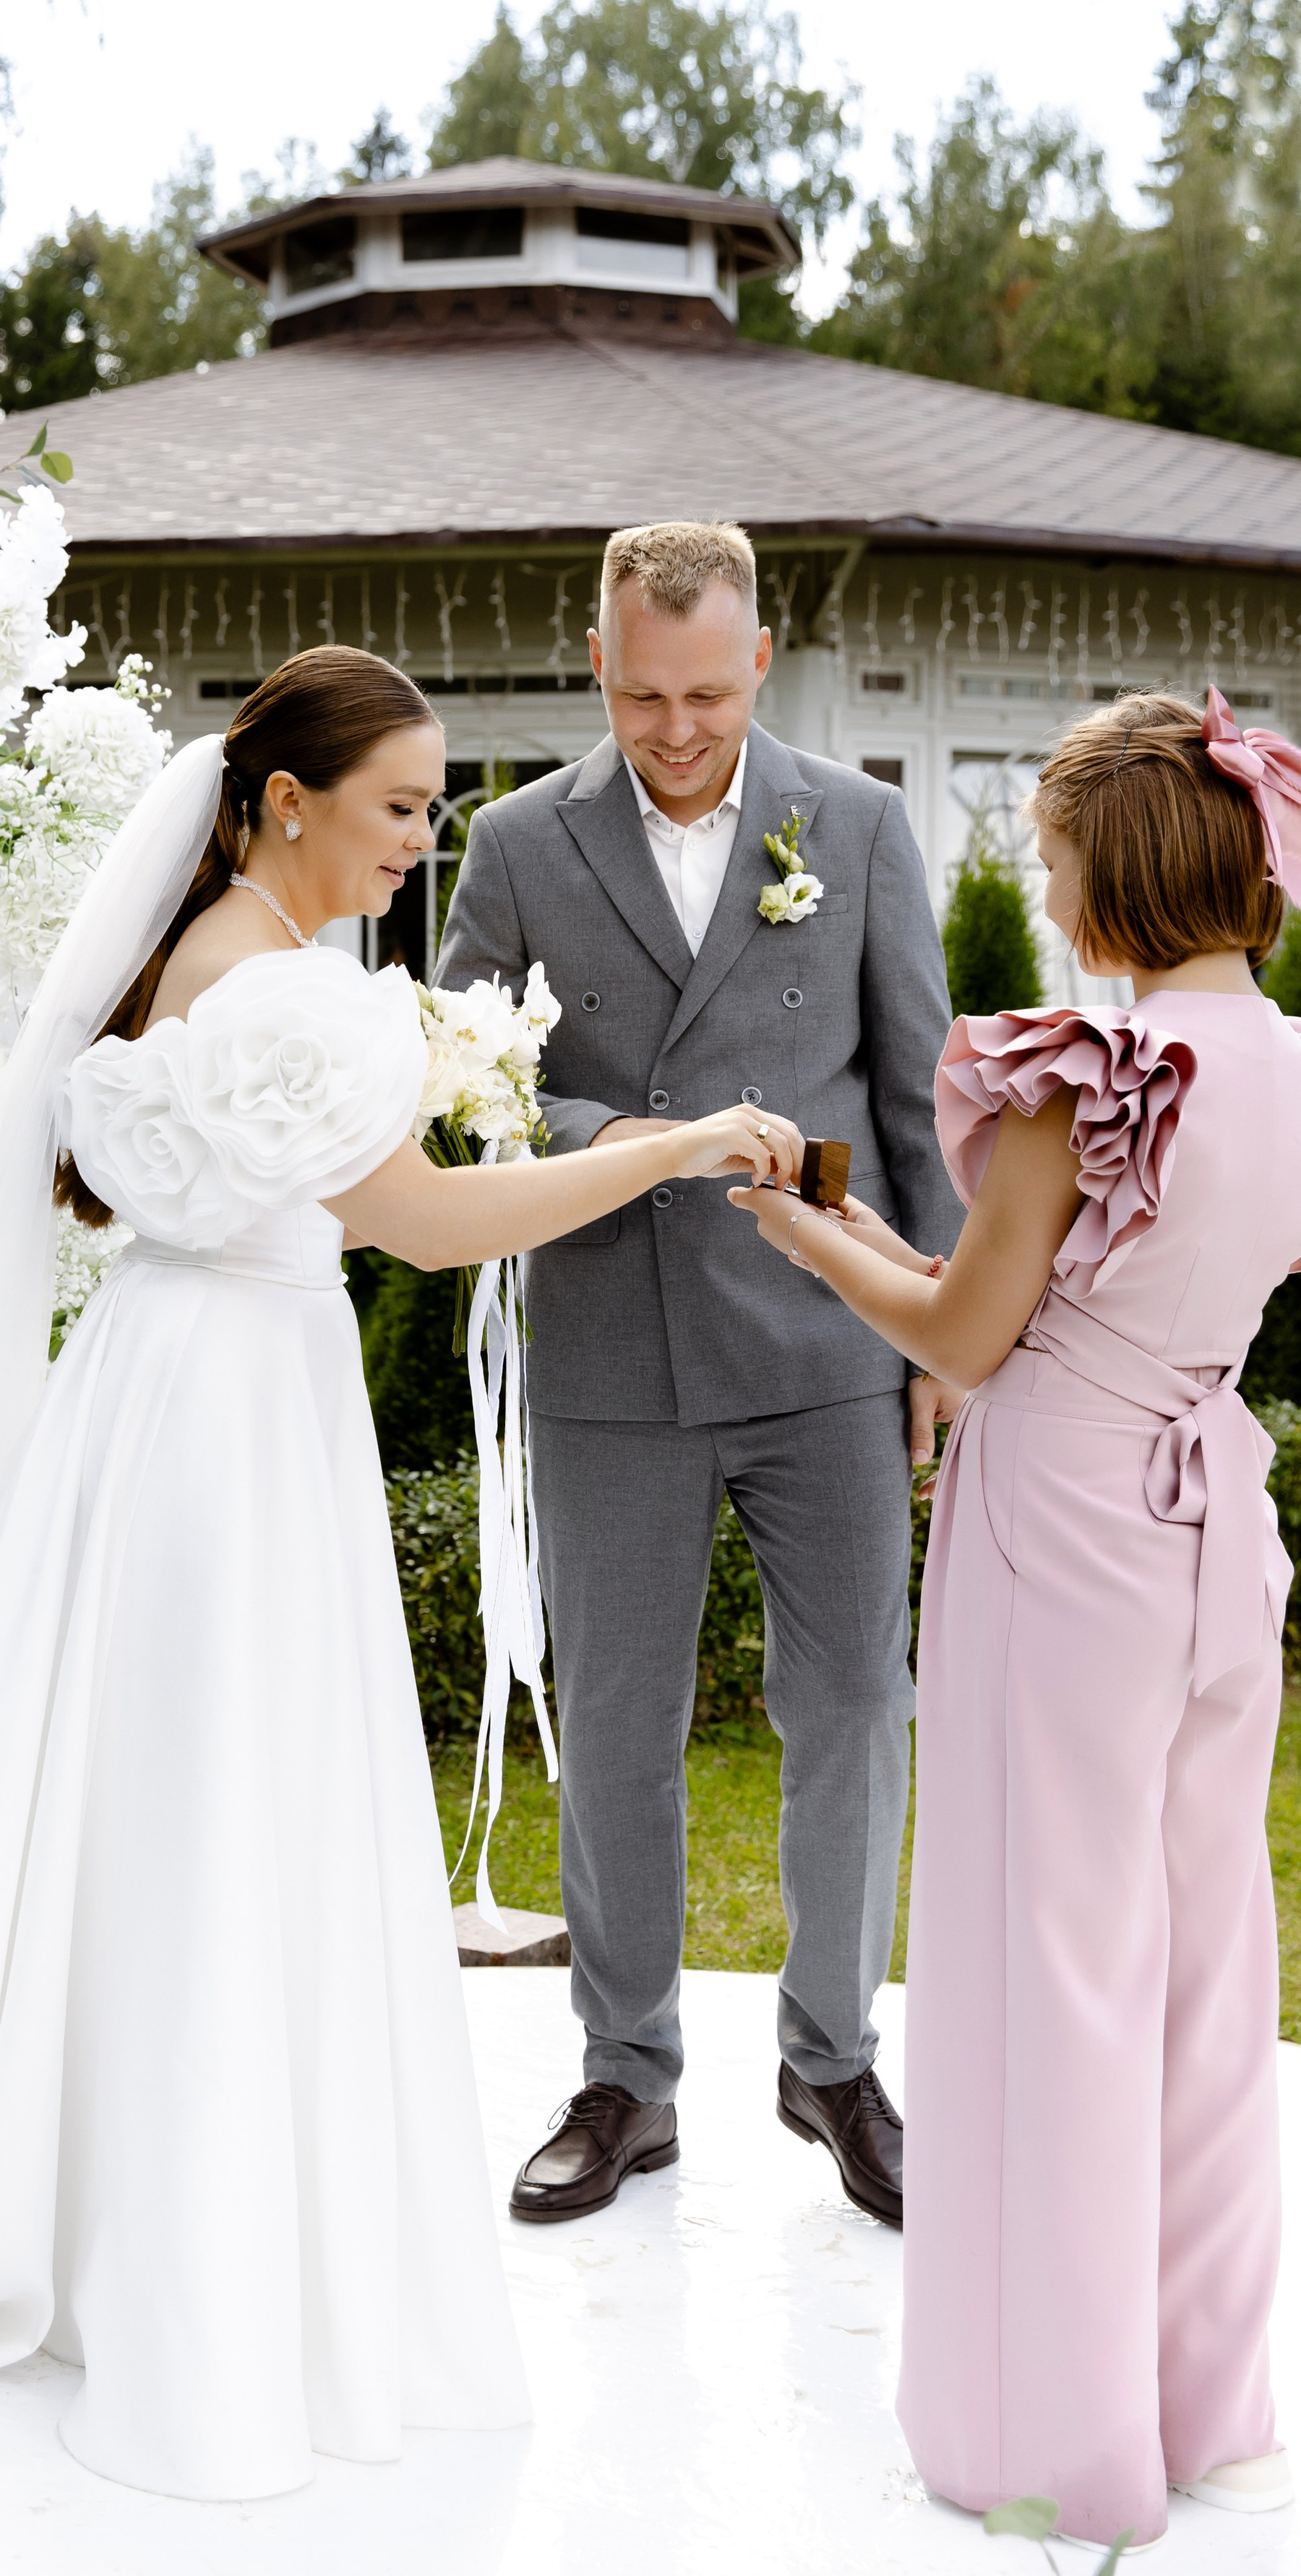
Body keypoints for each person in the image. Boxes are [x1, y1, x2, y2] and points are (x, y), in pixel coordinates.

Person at [0, 648, 806, 2515]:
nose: (419, 847)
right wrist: (673, 1150)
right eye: (399, 807)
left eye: (433, 811)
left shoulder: (167, 971)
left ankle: (69, 2197)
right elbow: (425, 1229)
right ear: (284, 801)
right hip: (249, 1419)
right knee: (232, 1810)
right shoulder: (320, 1005)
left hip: (141, 1407)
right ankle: (196, 2256)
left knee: (127, 1803)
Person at [728, 688, 1301, 2551]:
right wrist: (878, 1247)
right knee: (1205, 1967)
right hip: (1213, 1510)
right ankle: (1201, 2406)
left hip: (1063, 1523)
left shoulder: (1087, 1074)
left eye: (1053, 856)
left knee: (1038, 1968)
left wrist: (805, 1232)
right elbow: (1060, 1309)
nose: (1045, 895)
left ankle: (1049, 2437)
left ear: (1116, 864)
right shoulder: (1278, 1064)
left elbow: (970, 1344)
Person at [436, 522, 962, 2231]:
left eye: (710, 693)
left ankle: (829, 2059)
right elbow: (475, 1086)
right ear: (598, 663)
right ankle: (624, 2075)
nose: (677, 727)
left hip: (826, 1346)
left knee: (848, 1710)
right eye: (646, 692)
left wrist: (937, 1323)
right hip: (606, 1342)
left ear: (758, 664)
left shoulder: (860, 827)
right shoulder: (512, 844)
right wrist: (642, 1143)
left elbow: (913, 1094)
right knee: (616, 1726)